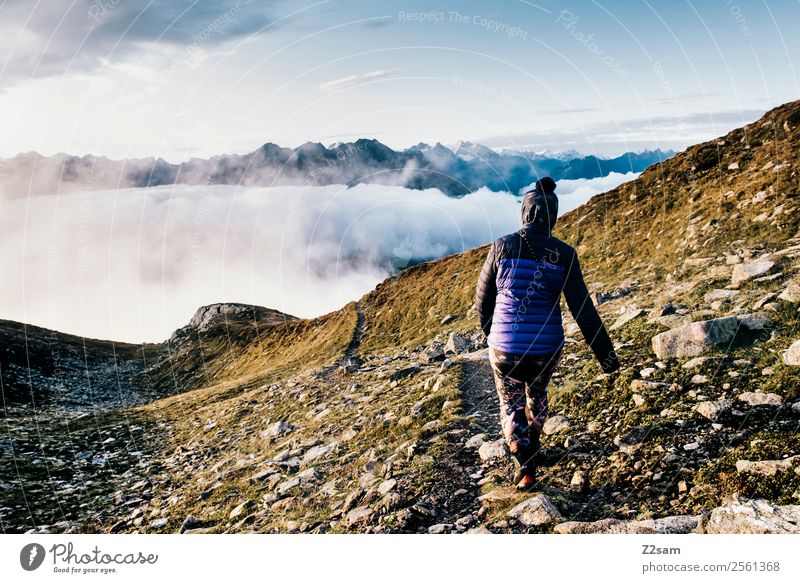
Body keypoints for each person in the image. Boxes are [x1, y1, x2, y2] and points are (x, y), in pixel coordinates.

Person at [474, 176, 620, 491]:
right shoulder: (565, 254)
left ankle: (524, 462)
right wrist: (606, 357)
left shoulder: (502, 246)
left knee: (511, 403)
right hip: (546, 348)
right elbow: (583, 310)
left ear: (524, 212)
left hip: (505, 348)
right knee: (537, 395)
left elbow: (482, 301)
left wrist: (493, 335)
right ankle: (533, 443)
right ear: (552, 217)